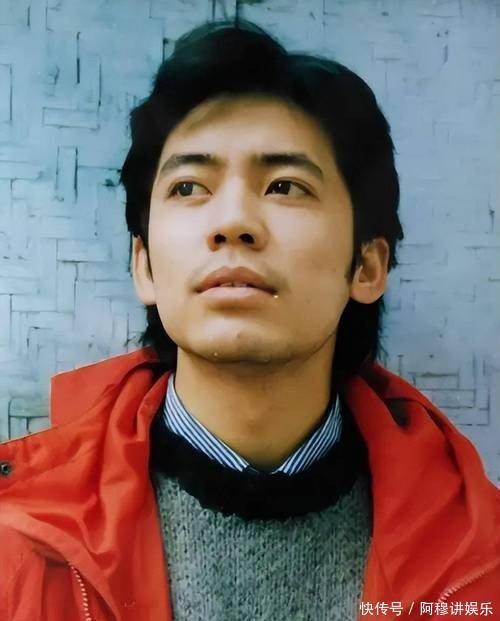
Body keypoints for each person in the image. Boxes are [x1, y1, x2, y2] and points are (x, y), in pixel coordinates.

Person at [0, 19, 499, 621]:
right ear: (144, 265)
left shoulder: (480, 560)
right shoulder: (18, 540)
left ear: (367, 265)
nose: (233, 222)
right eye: (189, 187)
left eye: (285, 186)